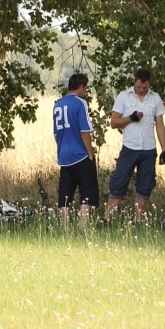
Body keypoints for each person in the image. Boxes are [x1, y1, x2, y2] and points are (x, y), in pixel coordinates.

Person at [104, 68, 165, 222]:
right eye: (139, 86)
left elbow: (160, 125)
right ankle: (107, 219)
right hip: (130, 148)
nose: (142, 90)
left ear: (149, 84)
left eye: (145, 87)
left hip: (148, 149)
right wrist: (130, 118)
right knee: (119, 183)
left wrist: (164, 149)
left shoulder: (155, 98)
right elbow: (114, 122)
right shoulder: (123, 96)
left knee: (145, 187)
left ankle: (138, 221)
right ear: (134, 82)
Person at [53, 73, 98, 230]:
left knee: (65, 192)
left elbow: (56, 134)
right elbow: (84, 131)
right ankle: (82, 227)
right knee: (87, 190)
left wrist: (62, 149)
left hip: (64, 156)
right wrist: (90, 153)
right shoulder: (80, 103)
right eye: (85, 88)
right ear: (81, 87)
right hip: (79, 155)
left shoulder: (58, 105)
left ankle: (65, 227)